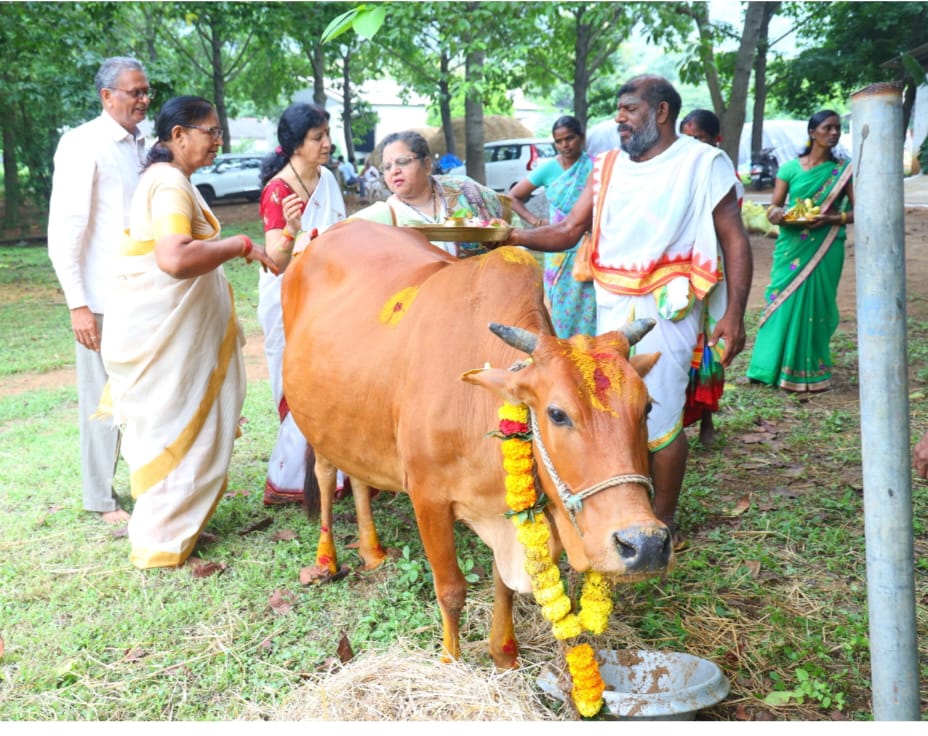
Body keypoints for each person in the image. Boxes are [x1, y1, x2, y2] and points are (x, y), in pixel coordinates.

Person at [510, 75, 753, 545]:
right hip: (612, 304)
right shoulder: (607, 168)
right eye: (618, 110)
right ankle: (624, 497)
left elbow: (734, 238)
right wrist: (509, 235)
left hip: (669, 305)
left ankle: (662, 519)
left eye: (629, 109)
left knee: (658, 416)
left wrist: (734, 314)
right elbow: (568, 231)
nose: (618, 118)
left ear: (661, 112)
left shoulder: (703, 162)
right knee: (616, 408)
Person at [100, 95, 278, 568]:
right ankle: (161, 540)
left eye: (219, 131)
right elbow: (174, 259)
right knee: (174, 425)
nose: (218, 140)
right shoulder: (170, 185)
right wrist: (238, 244)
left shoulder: (170, 180)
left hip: (171, 336)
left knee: (179, 425)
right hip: (166, 339)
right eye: (210, 131)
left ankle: (175, 527)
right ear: (177, 135)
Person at [47, 56, 152, 524]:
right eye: (134, 92)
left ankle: (148, 485)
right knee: (101, 401)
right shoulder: (82, 143)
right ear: (107, 96)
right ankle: (100, 498)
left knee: (144, 395)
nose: (143, 100)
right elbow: (65, 232)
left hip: (145, 292)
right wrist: (78, 305)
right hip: (101, 299)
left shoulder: (143, 144)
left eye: (146, 91)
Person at [257, 102, 346, 506]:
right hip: (288, 298)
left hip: (329, 295)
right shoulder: (278, 190)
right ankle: (292, 480)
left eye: (327, 134)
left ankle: (340, 470)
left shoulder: (326, 178)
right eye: (318, 137)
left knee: (333, 380)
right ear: (295, 144)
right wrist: (292, 229)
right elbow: (275, 261)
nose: (328, 143)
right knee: (299, 384)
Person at [746, 109, 854, 393]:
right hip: (792, 243)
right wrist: (777, 214)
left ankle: (809, 369)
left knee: (817, 304)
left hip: (826, 244)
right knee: (780, 299)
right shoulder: (790, 168)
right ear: (812, 132)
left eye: (837, 129)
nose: (834, 133)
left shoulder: (843, 171)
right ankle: (766, 367)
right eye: (828, 128)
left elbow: (859, 210)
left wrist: (832, 218)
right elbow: (774, 206)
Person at [679, 109, 745, 445]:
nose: (691, 145)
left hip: (710, 276)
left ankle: (706, 418)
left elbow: (730, 235)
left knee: (706, 347)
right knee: (676, 347)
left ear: (715, 140)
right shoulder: (675, 172)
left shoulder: (724, 176)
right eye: (686, 138)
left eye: (698, 138)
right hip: (676, 275)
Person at [351, 130, 508, 258]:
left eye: (403, 162)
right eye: (386, 167)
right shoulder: (383, 215)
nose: (394, 171)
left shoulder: (464, 189)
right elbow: (338, 237)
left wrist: (501, 230)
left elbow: (507, 218)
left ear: (426, 165)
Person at [507, 115, 596, 338]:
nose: (565, 145)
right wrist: (536, 222)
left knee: (590, 309)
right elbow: (514, 197)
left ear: (581, 138)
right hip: (557, 249)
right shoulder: (547, 169)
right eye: (559, 141)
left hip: (589, 248)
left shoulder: (595, 167)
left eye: (570, 138)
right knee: (559, 311)